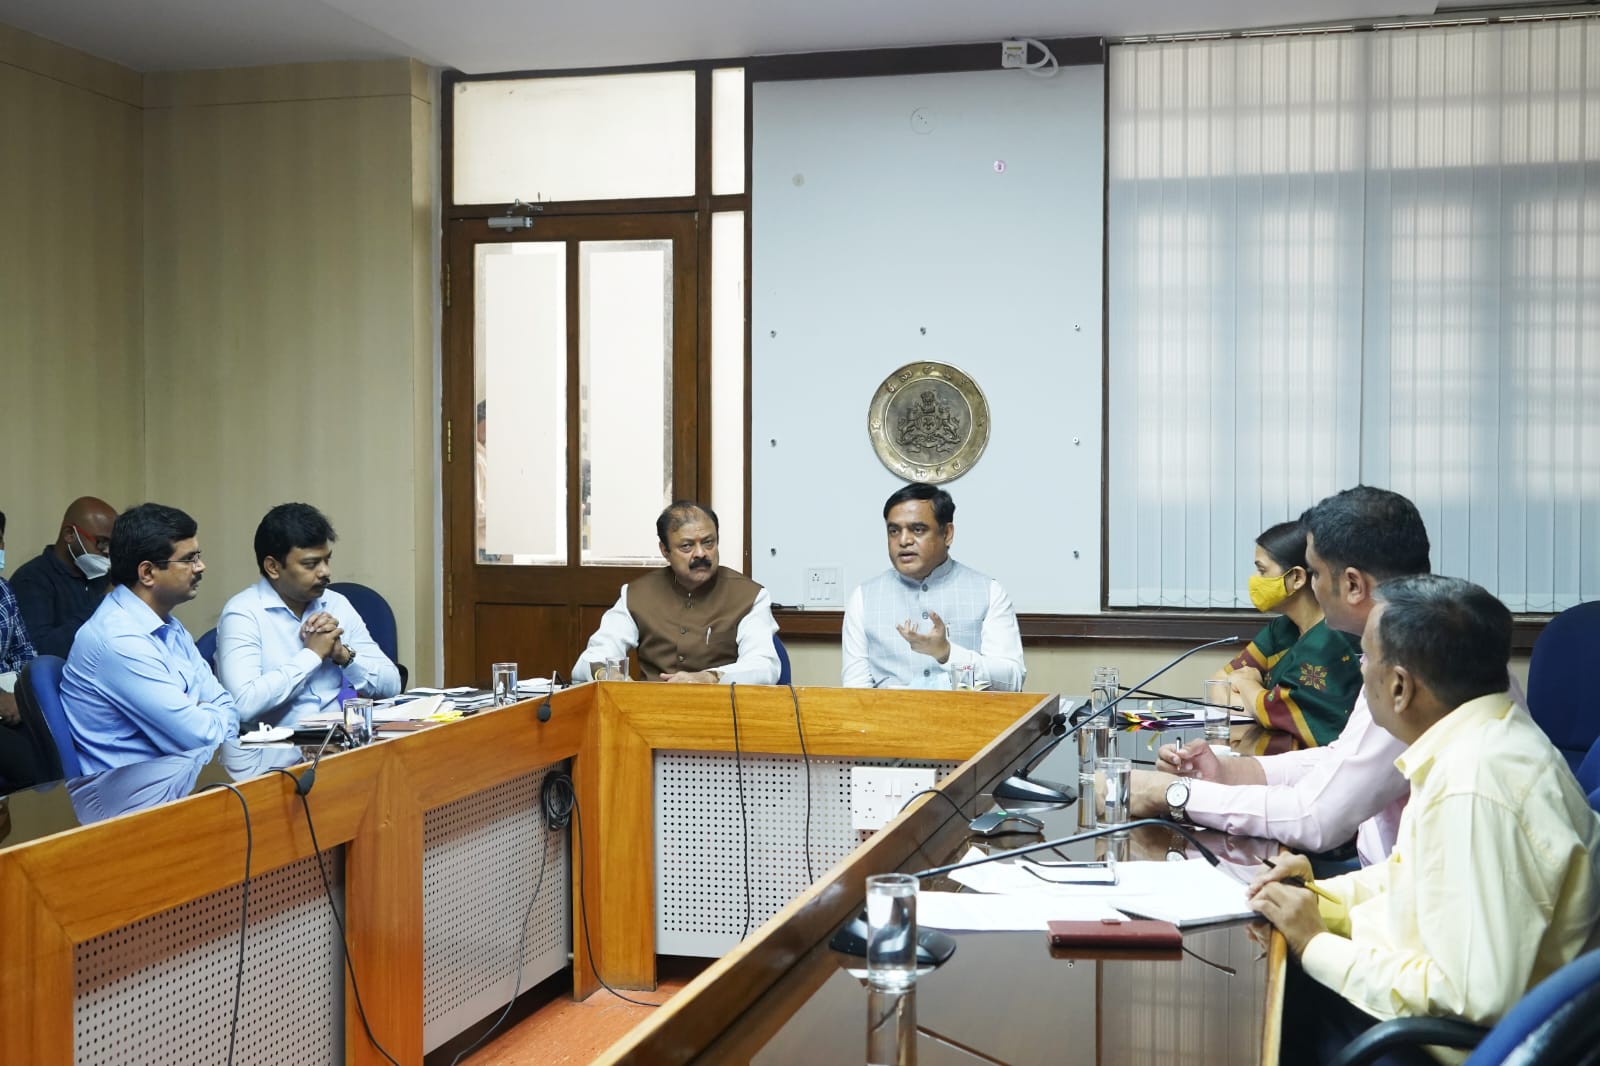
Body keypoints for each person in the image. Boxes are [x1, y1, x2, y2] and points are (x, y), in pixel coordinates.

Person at [1249, 575, 1600, 1063]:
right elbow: (1414, 882)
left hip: (1429, 1046)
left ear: (1399, 686)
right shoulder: (1481, 737)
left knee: (1259, 1009)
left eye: (1366, 657)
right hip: (1421, 1013)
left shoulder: (1475, 785)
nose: (1360, 669)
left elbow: (1470, 995)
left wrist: (1316, 944)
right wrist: (1319, 898)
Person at [1128, 485, 1433, 865]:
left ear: (1353, 585)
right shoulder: (1408, 636)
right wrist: (1228, 770)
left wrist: (1173, 794)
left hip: (1385, 887)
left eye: (1317, 573)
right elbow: (1341, 758)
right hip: (1378, 880)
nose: (1313, 587)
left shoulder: (1414, 663)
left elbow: (1316, 818)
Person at [61, 503, 237, 774]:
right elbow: (205, 739)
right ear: (147, 573)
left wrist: (205, 714)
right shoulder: (119, 641)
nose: (201, 567)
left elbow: (227, 707)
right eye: (189, 559)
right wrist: (203, 711)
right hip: (133, 804)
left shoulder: (168, 625)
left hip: (175, 784)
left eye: (198, 555)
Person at [216, 503, 401, 729]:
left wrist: (343, 655)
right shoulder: (243, 613)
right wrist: (312, 655)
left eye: (327, 560)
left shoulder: (336, 603)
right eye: (311, 564)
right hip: (275, 751)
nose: (325, 572)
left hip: (339, 742)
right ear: (273, 567)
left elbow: (393, 685)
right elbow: (242, 705)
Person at [841, 482, 1024, 690]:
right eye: (894, 531)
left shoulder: (989, 592)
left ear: (947, 534)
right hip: (889, 719)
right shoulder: (863, 598)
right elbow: (855, 692)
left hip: (967, 719)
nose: (903, 541)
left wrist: (947, 653)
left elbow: (1012, 683)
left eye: (917, 529)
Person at [572, 501, 780, 683]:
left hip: (721, 712)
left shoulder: (750, 596)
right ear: (665, 551)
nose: (701, 554)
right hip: (648, 715)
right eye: (687, 546)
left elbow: (763, 666)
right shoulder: (637, 595)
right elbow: (593, 657)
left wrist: (709, 677)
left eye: (708, 543)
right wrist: (607, 674)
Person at [1214, 520, 1363, 747]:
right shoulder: (1281, 629)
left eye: (1262, 571)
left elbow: (1285, 716)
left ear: (1297, 578)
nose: (1255, 580)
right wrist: (1260, 703)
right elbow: (1218, 685)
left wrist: (1246, 684)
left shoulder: (1334, 639)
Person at [10, 496, 116, 658]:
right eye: (101, 542)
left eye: (111, 545)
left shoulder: (103, 577)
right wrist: (104, 601)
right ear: (70, 535)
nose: (106, 551)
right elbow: (41, 651)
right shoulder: (31, 579)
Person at [0, 509, 43, 787]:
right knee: (31, 771)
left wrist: (23, 695)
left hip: (15, 700)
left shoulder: (4, 591)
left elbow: (25, 653)